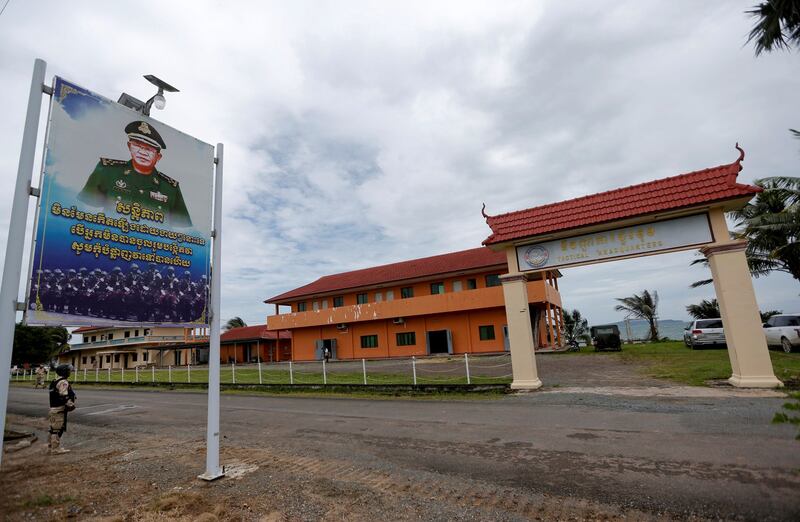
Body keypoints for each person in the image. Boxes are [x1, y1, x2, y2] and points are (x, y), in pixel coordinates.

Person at [77, 120, 192, 227]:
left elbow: (182, 231)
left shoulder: (170, 188)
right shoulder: (107, 170)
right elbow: (85, 211)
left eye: (149, 149)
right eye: (137, 145)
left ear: (158, 156)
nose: (142, 152)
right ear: (129, 146)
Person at [48, 364, 76, 455]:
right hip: (59, 409)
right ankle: (55, 449)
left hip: (53, 408)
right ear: (65, 372)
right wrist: (71, 405)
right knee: (57, 429)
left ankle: (51, 446)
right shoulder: (63, 382)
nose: (70, 372)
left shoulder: (55, 380)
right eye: (68, 371)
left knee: (53, 428)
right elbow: (64, 396)